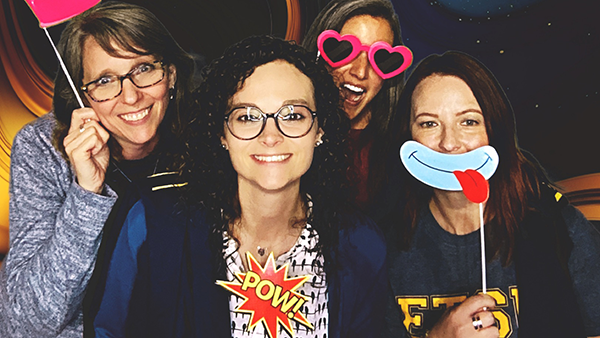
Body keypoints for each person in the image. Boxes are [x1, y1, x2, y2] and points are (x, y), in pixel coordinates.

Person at [93, 35, 387, 338]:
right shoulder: (151, 222)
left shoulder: (361, 245)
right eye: (247, 116)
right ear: (222, 133)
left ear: (319, 130)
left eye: (293, 115)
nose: (270, 136)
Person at [0, 2, 196, 337]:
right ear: (82, 95)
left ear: (171, 74)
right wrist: (86, 193)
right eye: (105, 80)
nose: (131, 96)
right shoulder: (42, 148)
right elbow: (27, 322)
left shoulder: (209, 139)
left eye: (144, 68)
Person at [383, 51, 600, 338]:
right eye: (428, 123)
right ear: (407, 136)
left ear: (494, 129)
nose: (450, 144)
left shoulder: (559, 226)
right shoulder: (381, 241)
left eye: (469, 121)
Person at [302, 0, 409, 219]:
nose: (360, 72)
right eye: (345, 50)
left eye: (380, 58)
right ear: (319, 54)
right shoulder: (284, 128)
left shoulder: (399, 145)